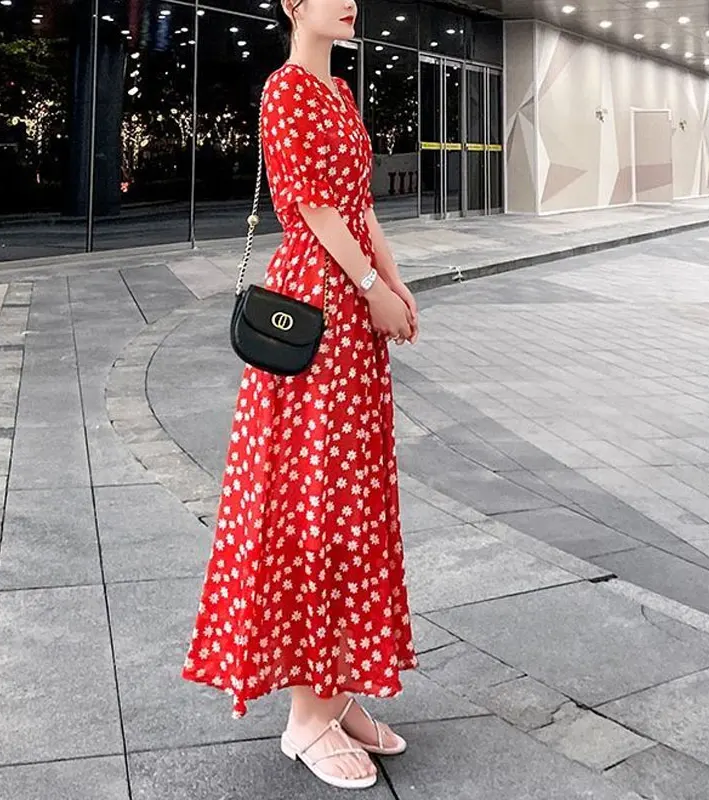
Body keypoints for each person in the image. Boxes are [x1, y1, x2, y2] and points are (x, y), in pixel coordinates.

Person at [182, 0, 420, 789]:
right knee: (312, 496)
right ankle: (305, 717)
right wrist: (369, 287)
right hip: (316, 306)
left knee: (350, 499)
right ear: (293, 5)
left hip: (351, 308)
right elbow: (313, 208)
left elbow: (361, 205)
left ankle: (336, 690)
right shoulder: (285, 89)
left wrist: (393, 283)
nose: (350, 0)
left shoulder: (340, 92)